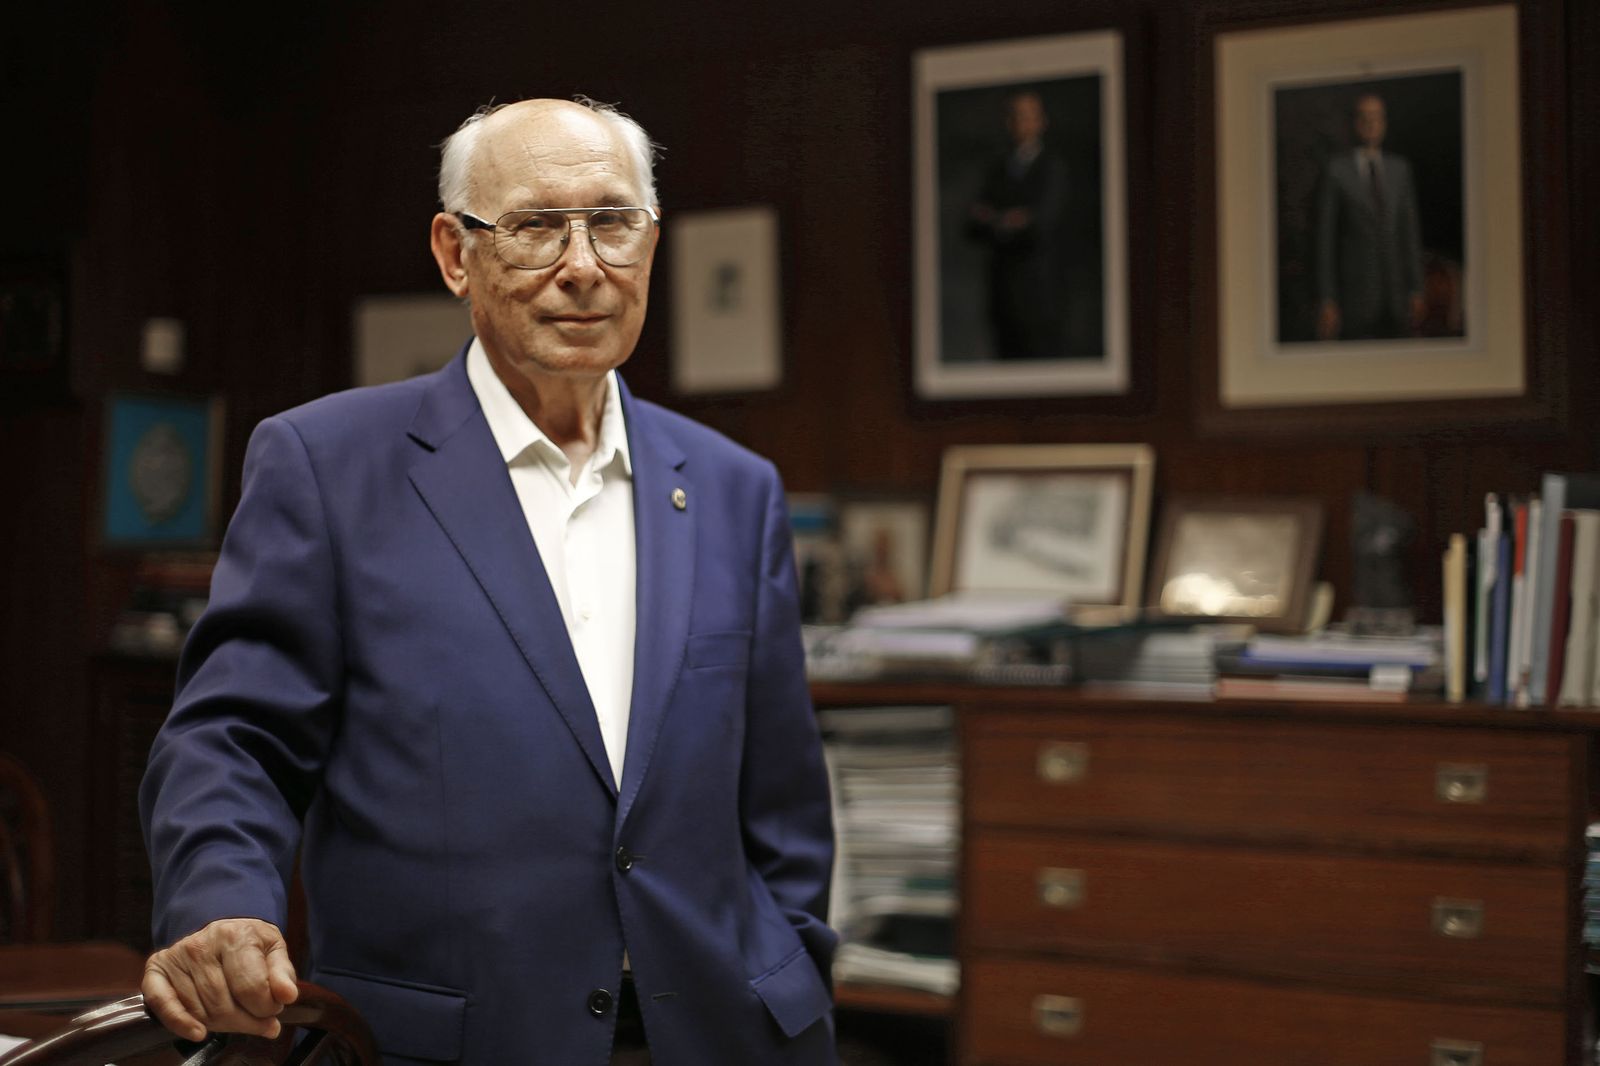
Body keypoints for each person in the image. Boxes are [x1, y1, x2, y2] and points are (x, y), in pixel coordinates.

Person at [137, 97, 838, 1066]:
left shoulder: (734, 486)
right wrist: (220, 904)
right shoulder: (327, 465)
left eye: (613, 222)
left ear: (651, 240)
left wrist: (792, 966)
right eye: (537, 226)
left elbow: (784, 802)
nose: (583, 265)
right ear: (454, 253)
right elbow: (234, 737)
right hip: (453, 1042)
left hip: (718, 1036)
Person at [966, 89, 1070, 359]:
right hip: (1002, 288)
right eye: (1015, 116)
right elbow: (973, 222)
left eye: (1028, 116)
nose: (1021, 123)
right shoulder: (997, 169)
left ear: (1041, 122)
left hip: (1040, 289)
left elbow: (1042, 222)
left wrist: (1001, 220)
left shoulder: (1052, 167)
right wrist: (1009, 220)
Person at [1314, 92, 1426, 341]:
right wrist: (1327, 298)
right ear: (1355, 123)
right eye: (1364, 117)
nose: (1370, 123)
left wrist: (1416, 288)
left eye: (1376, 117)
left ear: (1384, 122)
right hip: (1355, 298)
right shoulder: (1337, 170)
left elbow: (1409, 233)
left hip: (1397, 297)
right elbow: (1325, 241)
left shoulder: (1400, 169)